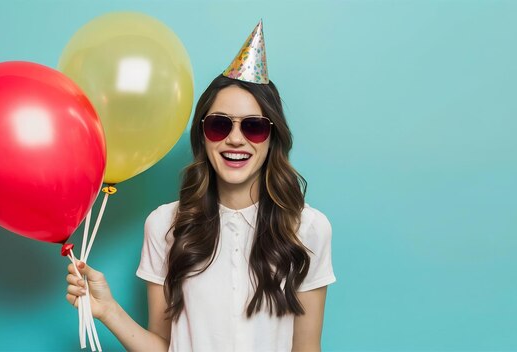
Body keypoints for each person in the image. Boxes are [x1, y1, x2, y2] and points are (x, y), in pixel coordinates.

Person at [66, 20, 336, 352]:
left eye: (253, 127)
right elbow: (163, 346)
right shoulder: (165, 225)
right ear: (203, 136)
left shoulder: (308, 229)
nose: (235, 139)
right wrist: (108, 310)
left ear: (272, 138)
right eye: (219, 125)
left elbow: (307, 349)